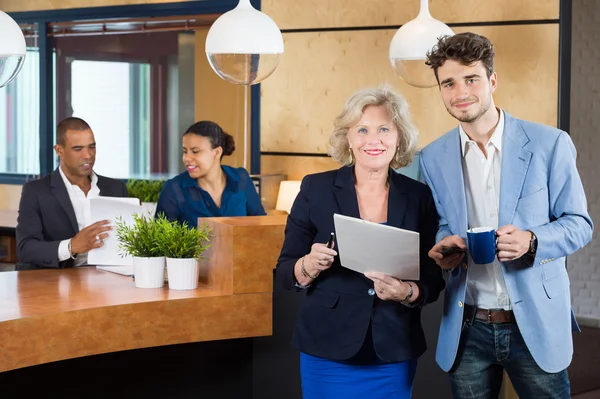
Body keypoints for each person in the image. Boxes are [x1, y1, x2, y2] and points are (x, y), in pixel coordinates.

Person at [420, 32, 594, 398]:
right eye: (448, 83)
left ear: (492, 81)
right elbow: (441, 223)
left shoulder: (550, 143)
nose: (460, 92)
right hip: (467, 326)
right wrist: (442, 242)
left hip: (535, 325)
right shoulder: (432, 157)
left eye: (471, 79)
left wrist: (533, 240)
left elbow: (579, 225)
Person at [276, 86, 445, 398]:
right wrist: (309, 265)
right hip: (326, 348)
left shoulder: (419, 196)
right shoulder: (316, 189)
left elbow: (434, 277)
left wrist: (406, 292)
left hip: (393, 348)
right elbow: (286, 272)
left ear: (399, 137)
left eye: (384, 129)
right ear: (349, 138)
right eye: (362, 129)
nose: (373, 139)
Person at [16, 117, 129, 270]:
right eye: (78, 149)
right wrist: (71, 246)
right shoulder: (36, 191)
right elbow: (26, 248)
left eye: (92, 147)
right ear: (59, 150)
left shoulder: (116, 188)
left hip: (110, 279)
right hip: (62, 282)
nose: (88, 155)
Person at [155, 120, 265, 227]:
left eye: (195, 151)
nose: (186, 158)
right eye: (185, 151)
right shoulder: (174, 190)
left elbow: (262, 226)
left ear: (217, 153)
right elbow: (159, 242)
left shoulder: (241, 180)